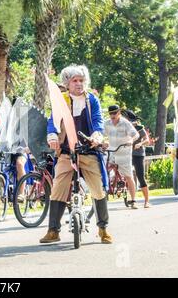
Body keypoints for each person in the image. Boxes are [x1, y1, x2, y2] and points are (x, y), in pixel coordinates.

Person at [40, 64, 113, 245]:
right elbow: (53, 122)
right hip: (66, 152)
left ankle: (103, 229)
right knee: (57, 189)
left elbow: (98, 121)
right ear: (67, 83)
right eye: (75, 81)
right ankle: (53, 231)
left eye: (81, 80)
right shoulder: (61, 100)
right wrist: (52, 136)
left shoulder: (92, 100)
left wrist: (97, 135)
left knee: (97, 189)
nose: (79, 84)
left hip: (88, 151)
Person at [103, 105, 139, 209]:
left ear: (119, 113)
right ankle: (104, 194)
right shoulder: (107, 123)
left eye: (115, 113)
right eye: (111, 113)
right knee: (105, 171)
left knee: (128, 176)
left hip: (124, 152)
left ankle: (133, 200)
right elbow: (100, 134)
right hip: (112, 151)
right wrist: (102, 141)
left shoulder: (125, 123)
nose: (112, 115)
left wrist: (130, 140)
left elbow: (135, 134)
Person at [125, 110, 151, 208]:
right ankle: (133, 201)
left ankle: (147, 201)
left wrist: (140, 143)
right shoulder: (124, 128)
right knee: (129, 177)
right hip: (127, 154)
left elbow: (147, 140)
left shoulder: (140, 128)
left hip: (138, 155)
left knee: (140, 177)